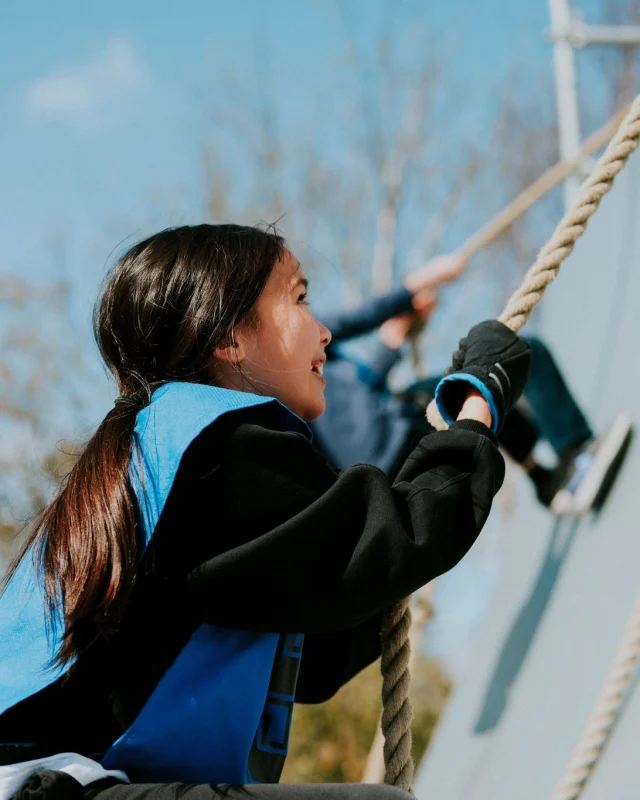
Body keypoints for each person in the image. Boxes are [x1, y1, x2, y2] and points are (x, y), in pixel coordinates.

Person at [0, 225, 531, 800]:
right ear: (230, 339)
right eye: (300, 300)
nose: (324, 332)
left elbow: (315, 656)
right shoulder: (216, 445)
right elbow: (393, 541)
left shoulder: (155, 449)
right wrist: (480, 402)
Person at [312, 256, 632, 516]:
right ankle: (577, 458)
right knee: (512, 355)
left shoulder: (288, 398)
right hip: (402, 436)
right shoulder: (298, 338)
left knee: (466, 389)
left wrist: (392, 342)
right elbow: (360, 318)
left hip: (383, 475)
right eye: (299, 298)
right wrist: (425, 277)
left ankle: (545, 480)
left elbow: (352, 403)